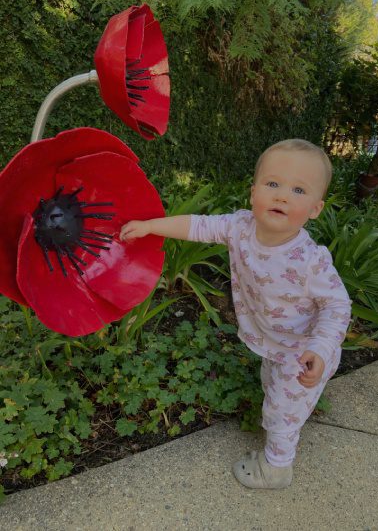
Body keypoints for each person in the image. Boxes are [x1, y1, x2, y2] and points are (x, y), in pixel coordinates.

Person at [120, 138, 352, 490]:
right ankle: (286, 419)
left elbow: (337, 305)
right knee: (273, 390)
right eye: (272, 184)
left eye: (298, 189)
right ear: (252, 192)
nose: (282, 195)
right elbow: (197, 226)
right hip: (274, 343)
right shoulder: (239, 227)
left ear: (316, 209)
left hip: (304, 352)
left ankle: (276, 468)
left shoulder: (311, 261)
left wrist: (321, 349)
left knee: (280, 415)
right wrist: (153, 226)